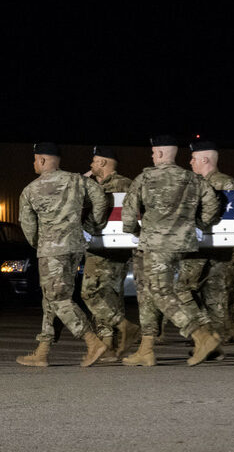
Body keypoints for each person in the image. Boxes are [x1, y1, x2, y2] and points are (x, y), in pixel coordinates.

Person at [121, 135, 222, 366]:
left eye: (153, 153)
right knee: (151, 293)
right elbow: (211, 205)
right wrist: (201, 225)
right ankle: (146, 350)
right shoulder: (192, 179)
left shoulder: (145, 177)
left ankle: (200, 335)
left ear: (158, 154)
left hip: (156, 244)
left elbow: (128, 212)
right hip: (183, 244)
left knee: (159, 292)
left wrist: (136, 232)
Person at [16, 142, 110, 367]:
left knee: (58, 299)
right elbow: (100, 199)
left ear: (42, 160)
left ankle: (92, 341)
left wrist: (41, 244)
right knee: (52, 298)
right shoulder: (78, 180)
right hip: (75, 246)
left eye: (35, 160)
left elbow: (28, 227)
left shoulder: (30, 190)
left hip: (51, 250)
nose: (34, 164)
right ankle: (43, 350)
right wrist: (92, 226)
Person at [177, 139, 234, 355]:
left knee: (189, 293)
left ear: (205, 159)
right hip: (213, 250)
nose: (190, 162)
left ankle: (205, 339)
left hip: (205, 249)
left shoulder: (214, 184)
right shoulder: (223, 182)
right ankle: (210, 343)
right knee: (210, 298)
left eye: (194, 158)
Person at [81, 146, 141, 362]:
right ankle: (108, 345)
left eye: (94, 161)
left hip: (106, 247)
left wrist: (84, 182)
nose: (91, 165)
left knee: (91, 293)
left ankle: (123, 328)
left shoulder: (117, 185)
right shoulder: (115, 184)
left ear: (104, 163)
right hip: (111, 247)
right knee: (109, 296)